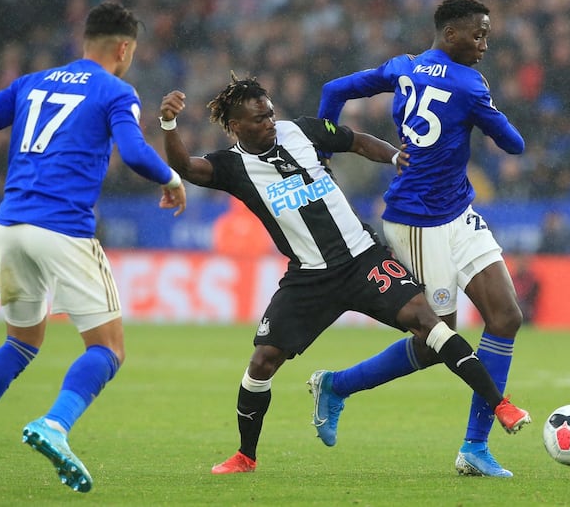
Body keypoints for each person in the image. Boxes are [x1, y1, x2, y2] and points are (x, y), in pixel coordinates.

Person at [159, 74, 529, 475]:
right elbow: (183, 165)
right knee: (263, 363)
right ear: (235, 127)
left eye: (269, 113)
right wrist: (168, 124)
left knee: (429, 323)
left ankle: (501, 405)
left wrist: (392, 157)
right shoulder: (231, 167)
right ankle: (245, 456)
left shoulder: (300, 131)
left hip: (363, 260)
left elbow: (354, 140)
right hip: (309, 278)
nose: (269, 123)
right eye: (258, 119)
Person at [0, 2, 186, 494]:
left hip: (11, 226)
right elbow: (132, 153)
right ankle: (55, 425)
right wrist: (172, 178)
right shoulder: (116, 90)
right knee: (108, 348)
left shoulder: (32, 82)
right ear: (124, 48)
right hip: (64, 229)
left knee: (20, 342)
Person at [315, 0, 527, 477]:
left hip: (456, 210)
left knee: (506, 316)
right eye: (478, 34)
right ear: (450, 34)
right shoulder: (470, 85)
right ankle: (336, 385)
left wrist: (324, 148)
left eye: (488, 35)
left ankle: (475, 448)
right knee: (439, 336)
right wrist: (485, 107)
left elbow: (334, 90)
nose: (485, 44)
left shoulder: (402, 66)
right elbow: (514, 145)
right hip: (416, 220)